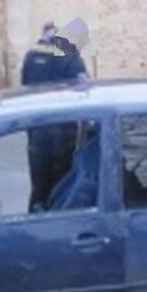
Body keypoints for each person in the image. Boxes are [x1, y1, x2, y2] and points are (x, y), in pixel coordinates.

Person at [21, 18, 91, 210]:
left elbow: (23, 93)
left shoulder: (30, 57)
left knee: (38, 190)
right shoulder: (70, 57)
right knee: (61, 191)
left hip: (37, 133)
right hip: (63, 135)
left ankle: (32, 228)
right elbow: (85, 95)